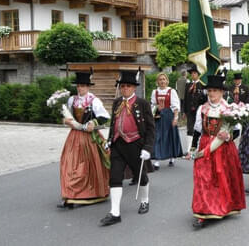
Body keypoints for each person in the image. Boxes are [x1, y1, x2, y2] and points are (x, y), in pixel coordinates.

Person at [189, 75, 246, 228]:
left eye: (214, 91)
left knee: (221, 179)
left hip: (224, 149)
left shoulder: (229, 109)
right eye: (209, 91)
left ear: (221, 92)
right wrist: (193, 148)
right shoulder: (203, 109)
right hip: (206, 145)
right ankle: (202, 212)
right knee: (203, 178)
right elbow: (197, 130)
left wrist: (228, 136)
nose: (211, 94)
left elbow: (237, 131)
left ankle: (222, 206)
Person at [100, 70, 155, 226]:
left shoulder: (142, 103)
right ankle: (115, 212)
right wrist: (109, 139)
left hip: (136, 144)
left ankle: (145, 200)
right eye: (122, 86)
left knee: (141, 176)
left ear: (134, 88)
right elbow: (114, 123)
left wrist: (147, 148)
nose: (125, 89)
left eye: (128, 86)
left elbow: (151, 128)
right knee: (115, 177)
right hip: (118, 144)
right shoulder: (117, 102)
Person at [58, 71, 110, 208]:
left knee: (86, 166)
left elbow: (105, 116)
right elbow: (68, 117)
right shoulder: (71, 100)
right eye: (78, 86)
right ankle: (69, 195)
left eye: (82, 86)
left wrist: (93, 122)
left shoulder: (94, 100)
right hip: (74, 137)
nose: (80, 88)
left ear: (88, 87)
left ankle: (89, 192)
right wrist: (66, 121)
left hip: (89, 138)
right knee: (68, 164)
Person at [151, 73, 183, 169]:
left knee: (170, 136)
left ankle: (172, 157)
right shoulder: (155, 92)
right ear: (157, 81)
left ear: (167, 81)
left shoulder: (171, 91)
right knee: (157, 137)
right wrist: (155, 109)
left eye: (164, 79)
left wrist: (175, 118)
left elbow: (175, 106)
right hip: (158, 116)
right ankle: (156, 160)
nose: (162, 81)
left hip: (169, 116)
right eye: (160, 79)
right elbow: (152, 104)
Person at [183, 65, 206, 157]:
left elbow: (205, 99)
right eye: (192, 73)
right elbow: (185, 98)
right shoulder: (188, 85)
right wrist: (184, 111)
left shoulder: (202, 85)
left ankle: (198, 148)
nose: (193, 75)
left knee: (198, 129)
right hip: (189, 110)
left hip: (199, 111)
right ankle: (189, 150)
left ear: (198, 74)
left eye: (195, 73)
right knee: (189, 129)